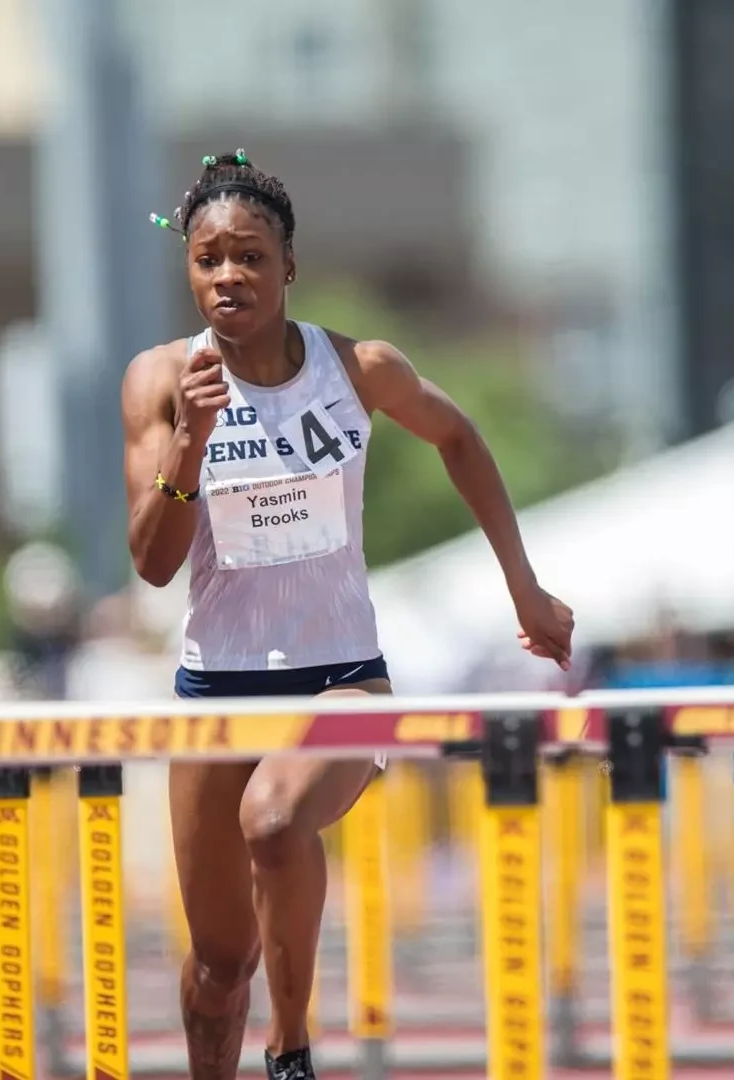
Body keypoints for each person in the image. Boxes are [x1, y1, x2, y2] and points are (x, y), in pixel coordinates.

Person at [123, 150, 575, 1080]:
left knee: (274, 821)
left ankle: (290, 1050)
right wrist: (189, 441)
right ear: (188, 272)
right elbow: (153, 564)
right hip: (216, 686)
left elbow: (458, 436)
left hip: (342, 677)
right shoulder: (163, 382)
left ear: (288, 266)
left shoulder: (357, 367)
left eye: (249, 256)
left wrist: (521, 584)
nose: (228, 277)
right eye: (207, 259)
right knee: (216, 967)